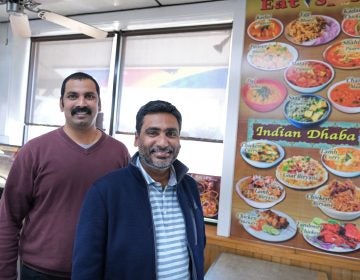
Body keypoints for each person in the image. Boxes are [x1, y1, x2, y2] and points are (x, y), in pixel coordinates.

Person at [0, 72, 130, 280]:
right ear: (61, 104)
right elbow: (8, 218)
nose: (81, 103)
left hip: (100, 270)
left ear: (99, 103)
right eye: (72, 96)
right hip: (40, 272)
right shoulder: (34, 151)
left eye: (89, 96)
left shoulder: (119, 153)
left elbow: (125, 219)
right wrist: (5, 275)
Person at [72, 100, 206, 280]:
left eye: (171, 133)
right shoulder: (105, 192)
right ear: (137, 138)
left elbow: (198, 246)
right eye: (153, 132)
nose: (163, 142)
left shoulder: (189, 187)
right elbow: (86, 267)